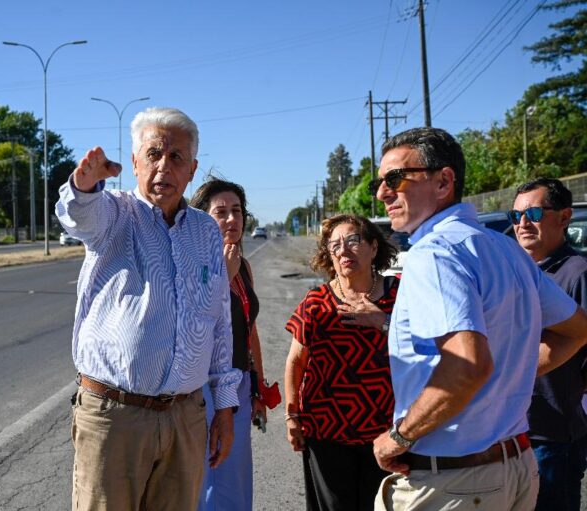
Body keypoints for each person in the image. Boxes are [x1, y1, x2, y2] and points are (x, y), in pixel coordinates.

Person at [370, 126, 587, 511]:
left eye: (395, 178)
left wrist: (398, 438)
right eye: (380, 181)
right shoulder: (506, 249)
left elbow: (468, 366)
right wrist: (510, 371)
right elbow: (576, 331)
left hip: (454, 482)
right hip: (515, 470)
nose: (383, 192)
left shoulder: (433, 253)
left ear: (443, 182)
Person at [56, 107, 241, 511]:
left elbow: (219, 323)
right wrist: (83, 185)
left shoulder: (206, 230)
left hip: (186, 418)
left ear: (192, 170)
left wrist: (224, 406)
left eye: (175, 157)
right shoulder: (115, 213)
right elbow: (80, 214)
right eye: (153, 153)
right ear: (135, 161)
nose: (163, 166)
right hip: (115, 418)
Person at [284, 214, 399, 511]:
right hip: (326, 432)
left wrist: (383, 322)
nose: (343, 250)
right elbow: (296, 362)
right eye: (334, 245)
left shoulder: (401, 294)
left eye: (352, 241)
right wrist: (292, 416)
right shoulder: (316, 302)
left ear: (374, 248)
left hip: (389, 432)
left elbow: (428, 347)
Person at [190, 178, 268, 510]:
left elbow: (250, 330)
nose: (231, 219)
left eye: (236, 211)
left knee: (235, 475)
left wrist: (259, 386)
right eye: (221, 212)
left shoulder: (244, 266)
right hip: (203, 387)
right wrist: (222, 272)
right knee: (207, 476)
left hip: (239, 381)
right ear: (203, 219)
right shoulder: (194, 265)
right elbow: (194, 323)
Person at [511, 177, 587, 511]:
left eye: (535, 213)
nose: (523, 223)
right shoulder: (514, 271)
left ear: (564, 217)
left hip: (552, 435)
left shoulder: (577, 272)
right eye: (516, 216)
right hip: (510, 431)